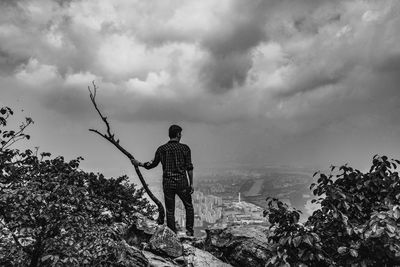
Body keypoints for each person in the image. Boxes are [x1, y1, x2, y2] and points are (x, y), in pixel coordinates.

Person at [131, 125, 194, 236]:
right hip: (182, 183)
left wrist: (139, 163)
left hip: (168, 183)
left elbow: (152, 164)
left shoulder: (162, 149)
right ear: (178, 134)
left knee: (170, 211)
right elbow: (189, 167)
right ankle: (189, 232)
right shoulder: (185, 148)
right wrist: (191, 183)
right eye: (180, 133)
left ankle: (172, 235)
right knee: (188, 206)